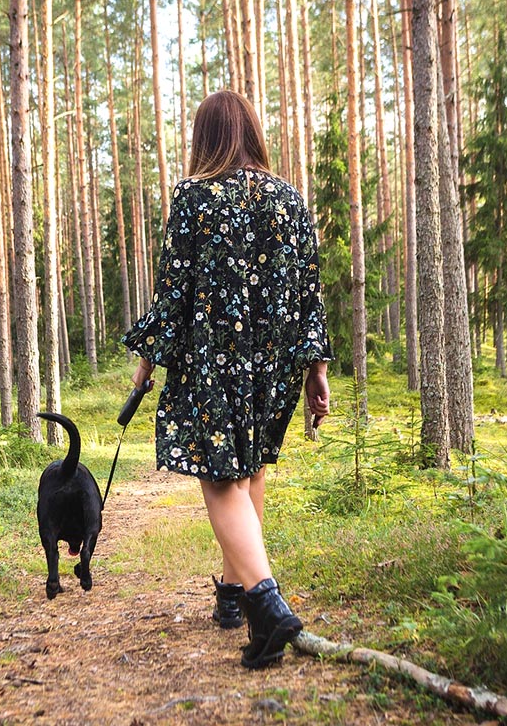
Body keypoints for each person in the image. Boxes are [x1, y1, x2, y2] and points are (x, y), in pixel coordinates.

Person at [122, 90, 332, 669]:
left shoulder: (194, 197)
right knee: (250, 467)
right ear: (253, 133)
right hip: (274, 360)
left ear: (205, 137)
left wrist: (148, 359)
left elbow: (175, 290)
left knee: (221, 479)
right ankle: (238, 597)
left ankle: (267, 604)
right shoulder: (291, 199)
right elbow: (309, 296)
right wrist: (315, 370)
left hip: (212, 355)